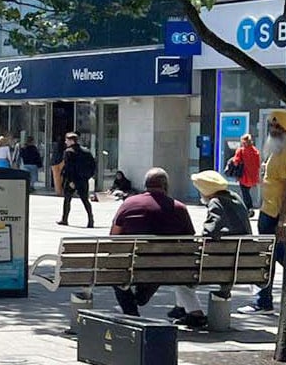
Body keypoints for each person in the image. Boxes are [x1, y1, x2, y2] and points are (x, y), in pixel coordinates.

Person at [107, 168, 196, 318]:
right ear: (166, 186)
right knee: (159, 265)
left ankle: (131, 311)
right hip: (165, 266)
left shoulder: (129, 203)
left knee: (115, 269)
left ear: (145, 185)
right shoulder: (179, 208)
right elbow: (189, 241)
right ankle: (138, 298)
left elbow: (114, 236)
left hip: (132, 262)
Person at [171, 170, 255, 329]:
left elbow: (210, 232)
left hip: (219, 265)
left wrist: (203, 234)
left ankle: (194, 315)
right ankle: (181, 309)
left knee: (181, 276)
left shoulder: (216, 202)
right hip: (240, 262)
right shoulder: (236, 198)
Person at [244, 110, 286, 312]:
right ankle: (263, 299)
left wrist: (284, 219)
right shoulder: (278, 149)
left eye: (279, 127)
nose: (274, 130)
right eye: (272, 126)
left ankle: (264, 299)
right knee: (274, 256)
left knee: (272, 255)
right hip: (268, 211)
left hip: (276, 214)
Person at [58, 132, 96, 227]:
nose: (65, 142)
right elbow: (93, 166)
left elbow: (69, 167)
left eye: (67, 140)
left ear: (71, 141)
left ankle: (64, 219)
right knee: (85, 200)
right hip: (83, 180)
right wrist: (88, 176)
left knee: (67, 200)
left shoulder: (69, 152)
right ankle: (91, 220)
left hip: (72, 179)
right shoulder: (86, 151)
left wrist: (71, 181)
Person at [228, 134, 262, 211]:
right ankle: (248, 207)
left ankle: (248, 208)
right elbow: (258, 165)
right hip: (253, 176)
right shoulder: (255, 151)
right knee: (246, 191)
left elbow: (236, 162)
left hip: (244, 176)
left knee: (245, 192)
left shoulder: (241, 151)